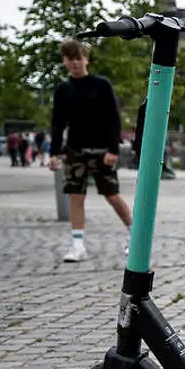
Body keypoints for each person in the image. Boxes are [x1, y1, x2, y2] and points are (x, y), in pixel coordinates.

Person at [49, 39, 133, 262]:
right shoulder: (63, 89)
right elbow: (57, 122)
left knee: (112, 194)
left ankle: (136, 238)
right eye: (70, 59)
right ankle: (78, 245)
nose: (75, 63)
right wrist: (54, 151)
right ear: (65, 62)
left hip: (102, 149)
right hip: (75, 150)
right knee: (76, 196)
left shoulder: (102, 85)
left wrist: (113, 148)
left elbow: (114, 119)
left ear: (86, 59)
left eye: (79, 58)